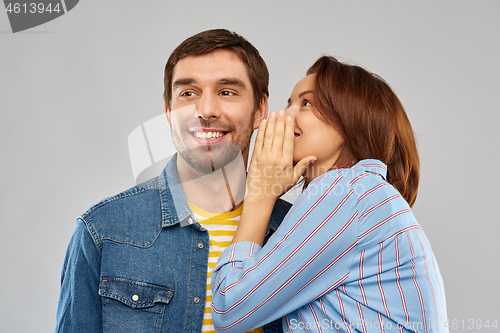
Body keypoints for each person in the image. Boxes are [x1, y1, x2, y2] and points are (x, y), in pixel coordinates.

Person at [55, 29, 291, 333]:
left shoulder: (299, 230)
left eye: (226, 92)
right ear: (168, 111)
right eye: (188, 93)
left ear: (260, 109)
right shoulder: (102, 231)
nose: (206, 111)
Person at [211, 56, 448, 332]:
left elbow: (230, 309)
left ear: (348, 120)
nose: (284, 116)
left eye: (307, 103)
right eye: (288, 103)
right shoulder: (366, 195)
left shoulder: (345, 192)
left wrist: (260, 194)